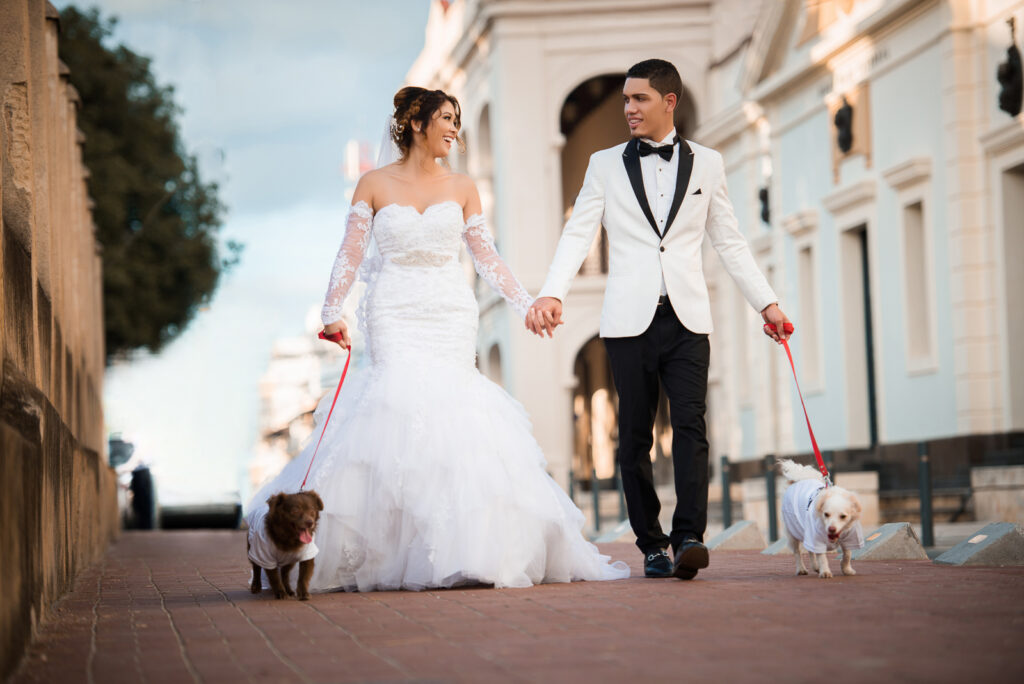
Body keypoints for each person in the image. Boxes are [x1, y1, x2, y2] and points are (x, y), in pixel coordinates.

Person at [248, 87, 629, 592]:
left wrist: (527, 303)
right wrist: (331, 311)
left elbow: (486, 256)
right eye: (447, 119)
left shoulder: (464, 187)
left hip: (450, 311)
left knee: (457, 413)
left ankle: (469, 550)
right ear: (416, 123)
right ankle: (388, 552)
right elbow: (350, 253)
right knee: (396, 410)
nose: (455, 128)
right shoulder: (373, 184)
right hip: (393, 310)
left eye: (458, 120)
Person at [527, 59, 793, 580]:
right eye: (625, 100)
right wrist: (554, 292)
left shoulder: (709, 164)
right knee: (634, 437)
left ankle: (689, 536)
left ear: (669, 101)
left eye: (639, 99)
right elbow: (579, 232)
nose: (628, 108)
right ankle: (651, 542)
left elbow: (729, 240)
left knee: (692, 428)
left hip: (688, 319)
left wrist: (767, 303)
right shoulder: (604, 165)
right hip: (629, 322)